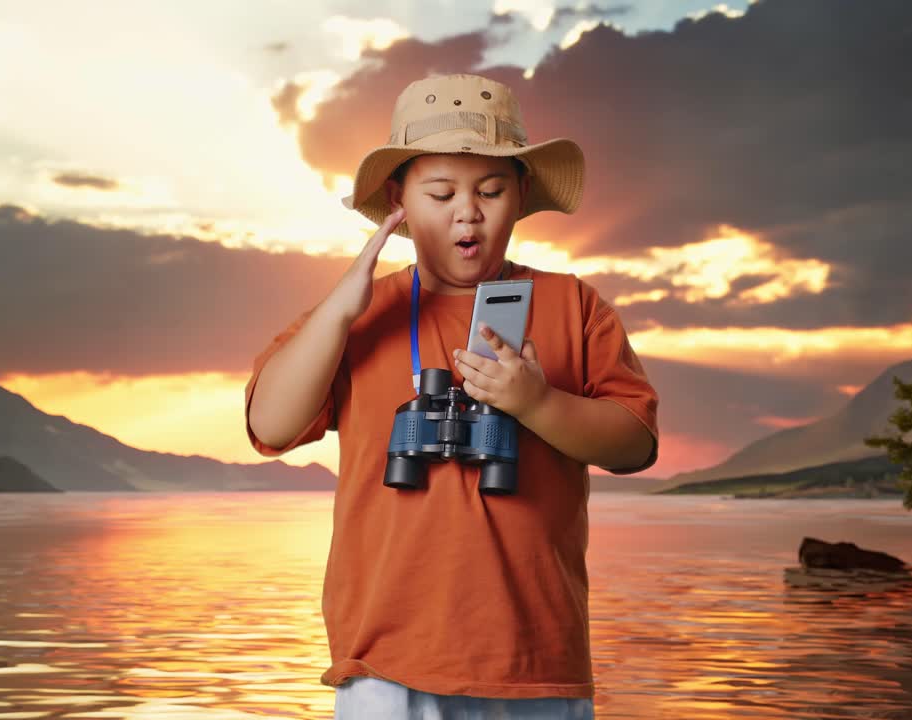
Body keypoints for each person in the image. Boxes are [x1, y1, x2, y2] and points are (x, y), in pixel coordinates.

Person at [245, 73, 659, 718]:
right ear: (398, 202)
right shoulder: (357, 315)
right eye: (441, 193)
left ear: (521, 197)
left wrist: (537, 405)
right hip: (385, 656)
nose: (467, 211)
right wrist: (339, 311)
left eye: (491, 190)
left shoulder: (573, 305)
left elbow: (634, 445)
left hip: (535, 659)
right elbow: (270, 427)